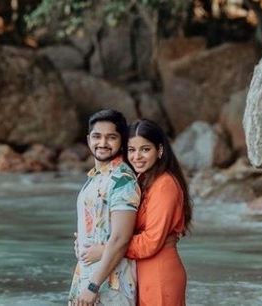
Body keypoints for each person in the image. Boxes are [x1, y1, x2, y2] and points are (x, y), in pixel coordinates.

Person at [81, 119, 192, 306]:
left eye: (145, 149)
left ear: (160, 150)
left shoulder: (165, 185)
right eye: (132, 150)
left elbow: (151, 242)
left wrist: (105, 250)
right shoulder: (142, 179)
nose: (137, 156)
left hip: (159, 272)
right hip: (140, 269)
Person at [69, 109, 141, 306]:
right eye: (97, 136)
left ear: (122, 141)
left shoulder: (122, 180)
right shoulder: (96, 177)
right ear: (88, 139)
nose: (102, 143)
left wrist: (93, 286)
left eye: (111, 137)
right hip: (87, 275)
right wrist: (82, 242)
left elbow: (120, 239)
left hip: (110, 283)